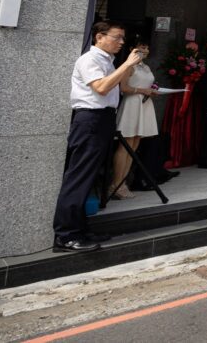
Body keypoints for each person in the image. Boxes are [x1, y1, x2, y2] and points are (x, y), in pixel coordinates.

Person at [53, 22, 145, 252]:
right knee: (79, 176)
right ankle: (65, 235)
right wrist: (127, 65)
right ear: (99, 37)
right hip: (90, 120)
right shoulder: (89, 60)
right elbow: (102, 88)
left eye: (123, 38)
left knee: (90, 176)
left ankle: (81, 228)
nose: (121, 42)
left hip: (103, 119)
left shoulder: (107, 61)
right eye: (117, 37)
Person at [109, 39, 164, 199]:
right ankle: (115, 183)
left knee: (134, 145)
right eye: (142, 47)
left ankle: (123, 183)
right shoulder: (129, 65)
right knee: (125, 145)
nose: (145, 50)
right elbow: (123, 88)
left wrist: (152, 91)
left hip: (145, 104)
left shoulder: (145, 66)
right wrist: (142, 90)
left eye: (147, 47)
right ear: (133, 49)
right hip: (132, 105)